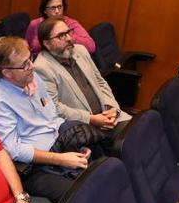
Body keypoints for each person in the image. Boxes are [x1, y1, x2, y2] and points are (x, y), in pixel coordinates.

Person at [0, 36, 107, 203]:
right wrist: (62, 159)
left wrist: (76, 145)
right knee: (83, 197)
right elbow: (12, 150)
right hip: (35, 167)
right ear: (7, 72)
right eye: (25, 64)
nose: (32, 66)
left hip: (60, 143)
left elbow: (53, 118)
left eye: (30, 59)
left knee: (105, 171)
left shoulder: (32, 77)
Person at [34, 17, 131, 155]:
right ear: (47, 43)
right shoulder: (42, 68)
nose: (68, 38)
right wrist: (91, 119)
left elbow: (100, 81)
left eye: (68, 32)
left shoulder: (80, 50)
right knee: (132, 145)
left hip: (109, 117)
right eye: (61, 36)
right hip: (85, 128)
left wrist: (113, 108)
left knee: (142, 130)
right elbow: (54, 108)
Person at [24, 0, 95, 55]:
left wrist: (66, 35)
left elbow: (91, 47)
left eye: (60, 7)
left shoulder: (71, 23)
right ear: (45, 10)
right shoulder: (35, 24)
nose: (57, 11)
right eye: (53, 8)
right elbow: (25, 49)